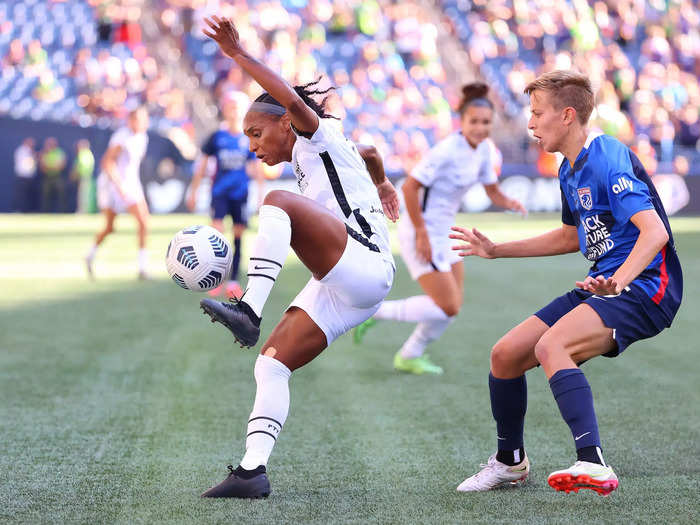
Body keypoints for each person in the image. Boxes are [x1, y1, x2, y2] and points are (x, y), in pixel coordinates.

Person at [450, 70, 682, 495]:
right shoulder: (568, 169)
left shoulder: (607, 157)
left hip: (647, 284)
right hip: (605, 283)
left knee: (551, 346)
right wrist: (498, 249)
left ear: (568, 115)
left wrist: (618, 281)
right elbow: (568, 236)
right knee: (505, 356)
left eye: (538, 114)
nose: (531, 124)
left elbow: (655, 234)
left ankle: (593, 462)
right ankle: (510, 463)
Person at [197, 16, 399, 499]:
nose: (252, 146)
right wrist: (382, 181)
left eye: (256, 133)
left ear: (287, 123)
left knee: (278, 202)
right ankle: (252, 472)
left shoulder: (314, 134)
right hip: (348, 286)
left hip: (365, 263)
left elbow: (288, 97)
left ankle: (248, 309)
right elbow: (368, 150)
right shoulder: (330, 142)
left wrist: (237, 55)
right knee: (270, 365)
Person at [353, 83, 526, 375]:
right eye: (475, 121)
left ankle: (409, 355)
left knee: (451, 305)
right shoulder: (446, 150)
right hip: (423, 231)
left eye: (486, 122)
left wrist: (509, 201)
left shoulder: (484, 150)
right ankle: (375, 313)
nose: (481, 128)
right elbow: (409, 187)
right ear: (462, 121)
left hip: (447, 232)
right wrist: (421, 232)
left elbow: (492, 190)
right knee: (449, 307)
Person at [187, 92, 262, 299]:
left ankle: (233, 280)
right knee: (217, 237)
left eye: (237, 107)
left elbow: (256, 167)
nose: (233, 111)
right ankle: (216, 277)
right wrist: (193, 191)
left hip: (240, 195)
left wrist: (260, 194)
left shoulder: (248, 138)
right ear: (225, 110)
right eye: (230, 106)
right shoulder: (216, 137)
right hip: (219, 193)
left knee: (238, 235)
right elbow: (202, 167)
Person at [86, 107, 150, 279]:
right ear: (130, 120)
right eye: (137, 119)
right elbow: (107, 162)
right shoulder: (122, 137)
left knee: (144, 222)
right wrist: (119, 186)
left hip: (131, 183)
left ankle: (142, 268)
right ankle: (90, 255)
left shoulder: (143, 138)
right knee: (109, 227)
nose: (141, 123)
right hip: (113, 184)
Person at [39, 137, 67, 213]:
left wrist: (51, 167)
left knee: (61, 194)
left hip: (57, 176)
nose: (50, 145)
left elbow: (61, 165)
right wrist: (52, 167)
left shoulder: (59, 152)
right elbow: (42, 165)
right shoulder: (44, 152)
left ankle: (62, 212)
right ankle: (45, 212)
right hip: (47, 176)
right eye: (49, 143)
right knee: (45, 195)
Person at [70, 139, 96, 214]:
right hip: (85, 177)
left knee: (83, 196)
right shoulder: (87, 153)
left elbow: (80, 166)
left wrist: (75, 174)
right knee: (83, 195)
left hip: (84, 177)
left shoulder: (84, 154)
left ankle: (82, 211)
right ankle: (83, 211)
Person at [13, 138, 37, 213]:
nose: (33, 144)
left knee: (29, 195)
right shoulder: (22, 151)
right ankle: (20, 210)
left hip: (30, 177)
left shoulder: (30, 151)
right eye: (31, 143)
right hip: (22, 176)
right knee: (21, 195)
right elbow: (28, 162)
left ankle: (27, 210)